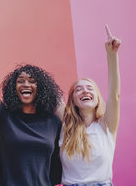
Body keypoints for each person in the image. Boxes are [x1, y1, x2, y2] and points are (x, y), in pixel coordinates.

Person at [60, 25, 121, 186]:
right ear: (72, 100)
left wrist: (112, 55)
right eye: (78, 89)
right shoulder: (65, 127)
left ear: (98, 98)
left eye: (89, 88)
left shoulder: (106, 126)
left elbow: (115, 95)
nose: (84, 91)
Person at [0, 61, 63, 185]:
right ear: (13, 87)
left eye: (32, 81)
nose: (26, 84)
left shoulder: (54, 122)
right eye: (20, 81)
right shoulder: (4, 116)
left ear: (42, 88)